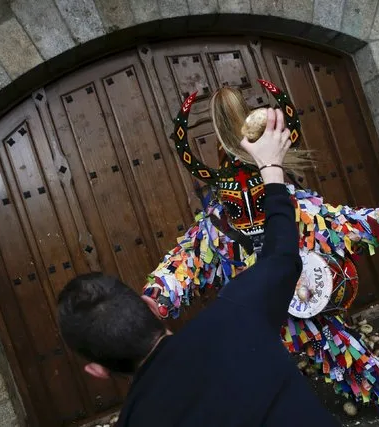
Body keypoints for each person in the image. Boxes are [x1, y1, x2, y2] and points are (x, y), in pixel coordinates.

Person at [142, 81, 379, 418]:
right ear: (221, 195)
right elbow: (182, 266)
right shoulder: (214, 229)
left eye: (256, 194)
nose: (247, 202)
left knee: (341, 347)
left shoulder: (292, 207)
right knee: (241, 378)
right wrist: (156, 297)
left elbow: (339, 222)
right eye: (237, 200)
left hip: (304, 306)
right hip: (251, 321)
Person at [58, 108, 342, 426]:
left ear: (96, 371)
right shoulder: (239, 310)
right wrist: (271, 168)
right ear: (153, 306)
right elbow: (280, 257)